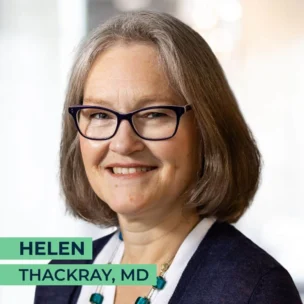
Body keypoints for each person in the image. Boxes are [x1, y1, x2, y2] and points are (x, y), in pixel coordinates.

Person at [34, 10, 302, 304]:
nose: (123, 143)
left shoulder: (254, 290)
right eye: (99, 114)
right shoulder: (60, 278)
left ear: (206, 129)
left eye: (154, 114)